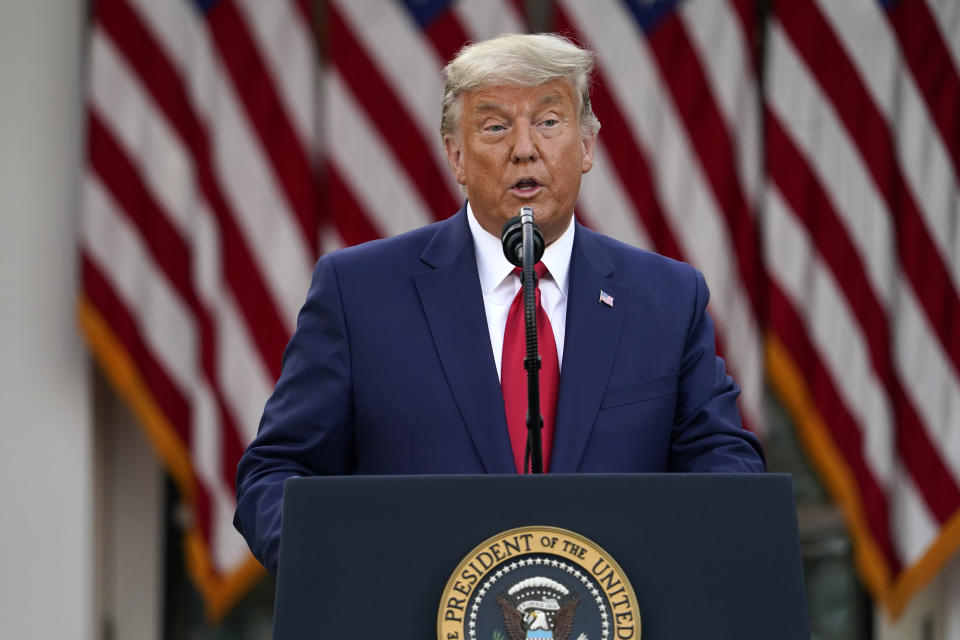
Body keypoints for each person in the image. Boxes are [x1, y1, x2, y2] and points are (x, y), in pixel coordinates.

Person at [234, 33, 765, 574]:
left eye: (549, 121)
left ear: (587, 147)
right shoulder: (358, 293)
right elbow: (277, 473)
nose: (524, 148)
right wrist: (348, 579)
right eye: (495, 126)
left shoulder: (667, 298)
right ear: (456, 156)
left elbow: (724, 464)